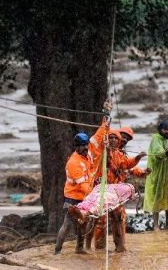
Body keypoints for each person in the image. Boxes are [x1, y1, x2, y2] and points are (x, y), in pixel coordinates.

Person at [55, 100, 112, 254]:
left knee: (83, 223)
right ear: (77, 147)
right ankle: (57, 251)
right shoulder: (73, 163)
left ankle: (79, 248)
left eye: (87, 145)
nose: (86, 148)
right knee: (67, 224)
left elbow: (101, 131)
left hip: (85, 196)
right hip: (73, 198)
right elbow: (82, 185)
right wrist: (95, 194)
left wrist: (106, 114)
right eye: (83, 146)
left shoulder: (90, 149)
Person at [91, 130, 147, 251]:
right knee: (101, 221)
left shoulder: (121, 154)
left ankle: (120, 246)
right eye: (111, 138)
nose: (113, 140)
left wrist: (138, 158)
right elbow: (99, 140)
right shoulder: (102, 151)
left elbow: (127, 164)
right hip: (102, 191)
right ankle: (100, 248)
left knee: (119, 219)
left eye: (115, 138)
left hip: (116, 193)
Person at [144, 120, 168, 230]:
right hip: (156, 173)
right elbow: (158, 153)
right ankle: (156, 225)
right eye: (165, 129)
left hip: (167, 174)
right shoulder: (156, 138)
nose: (167, 132)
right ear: (160, 130)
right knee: (156, 197)